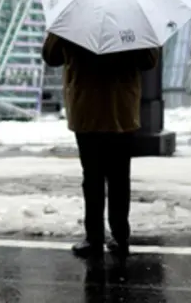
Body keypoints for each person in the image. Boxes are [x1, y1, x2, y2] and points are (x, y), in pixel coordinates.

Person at [42, 32, 159, 259]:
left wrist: (56, 31)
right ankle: (120, 234)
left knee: (93, 177)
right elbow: (149, 62)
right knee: (119, 177)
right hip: (121, 110)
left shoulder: (74, 21)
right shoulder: (132, 22)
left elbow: (51, 56)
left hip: (87, 109)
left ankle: (93, 237)